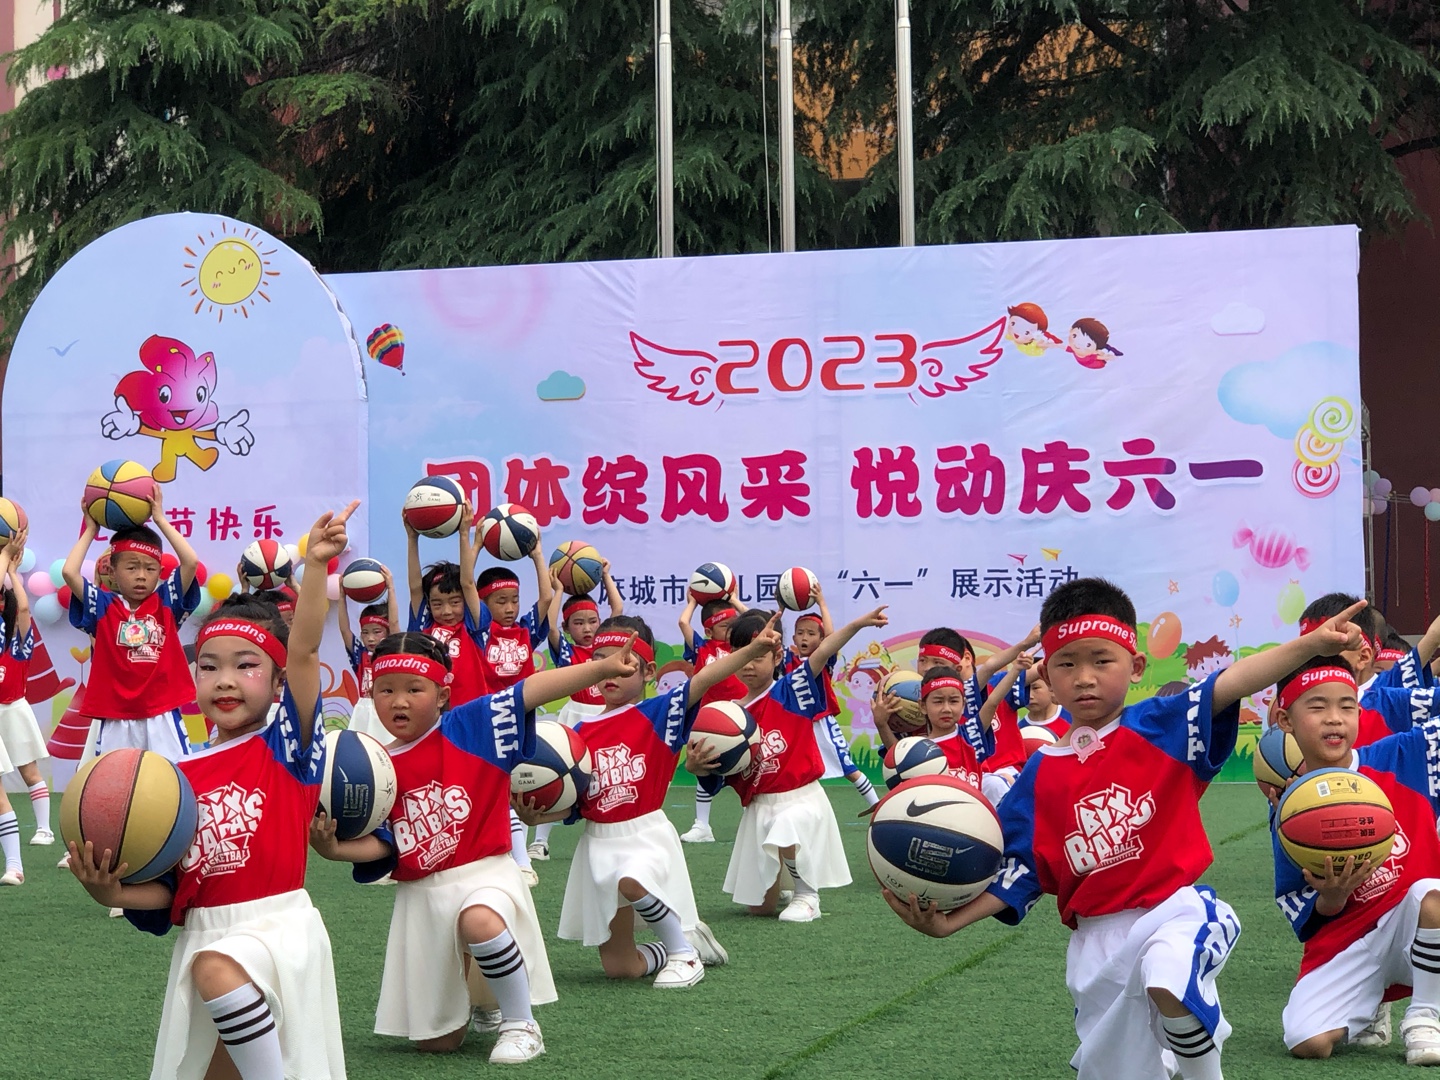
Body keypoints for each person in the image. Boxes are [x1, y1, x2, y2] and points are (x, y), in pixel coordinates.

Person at [884, 577, 1369, 1080]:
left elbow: (1235, 680)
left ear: (1135, 666)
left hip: (1173, 913)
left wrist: (1310, 645)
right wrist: (947, 923)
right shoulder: (1038, 775)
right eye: (1067, 664)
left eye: (1102, 660)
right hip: (1095, 947)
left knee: (1170, 977)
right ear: (1045, 672)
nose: (1085, 677)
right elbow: (1018, 874)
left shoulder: (1162, 725)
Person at [66, 504, 355, 1080]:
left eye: (246, 666)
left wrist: (319, 566)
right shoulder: (173, 778)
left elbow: (303, 651)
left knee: (217, 974)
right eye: (208, 666)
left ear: (278, 681)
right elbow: (173, 893)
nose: (224, 679)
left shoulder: (287, 744)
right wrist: (111, 892)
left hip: (275, 930)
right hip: (205, 936)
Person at [310, 631, 641, 1062]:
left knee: (480, 921)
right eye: (386, 690)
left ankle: (521, 1023)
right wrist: (334, 850)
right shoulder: (376, 766)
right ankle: (482, 1000)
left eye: (414, 689)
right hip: (422, 894)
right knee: (437, 1044)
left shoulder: (472, 726)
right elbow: (388, 846)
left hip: (485, 874)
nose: (399, 701)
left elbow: (531, 689)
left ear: (443, 694)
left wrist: (602, 667)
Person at [515, 614, 782, 989]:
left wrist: (753, 650)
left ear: (649, 672)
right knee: (621, 967)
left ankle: (683, 954)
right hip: (597, 845)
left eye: (625, 663)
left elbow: (706, 677)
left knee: (632, 880)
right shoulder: (574, 736)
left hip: (644, 836)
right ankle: (686, 943)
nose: (611, 670)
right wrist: (535, 817)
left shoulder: (659, 714)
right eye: (601, 660)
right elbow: (577, 805)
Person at [1267, 655, 1440, 1064]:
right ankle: (1369, 1003)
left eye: (1347, 706)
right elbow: (1299, 908)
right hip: (1348, 938)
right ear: (1285, 720)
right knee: (1307, 1042)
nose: (1334, 718)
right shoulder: (1292, 810)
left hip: (1414, 922)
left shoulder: (1405, 755)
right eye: (1317, 706)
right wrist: (1333, 897)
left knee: (1430, 894)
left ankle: (1426, 1015)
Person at [688, 606, 887, 922]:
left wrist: (858, 624)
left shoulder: (792, 689)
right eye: (742, 655)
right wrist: (697, 767)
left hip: (800, 800)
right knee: (760, 909)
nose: (749, 664)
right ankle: (783, 879)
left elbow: (823, 651)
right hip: (758, 808)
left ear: (777, 656)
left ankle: (807, 895)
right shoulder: (726, 717)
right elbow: (717, 778)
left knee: (787, 825)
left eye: (759, 656)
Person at [63, 485, 201, 760]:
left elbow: (190, 562)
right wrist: (91, 529)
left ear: (160, 572)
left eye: (150, 568)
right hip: (116, 717)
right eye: (131, 567)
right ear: (112, 571)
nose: (141, 575)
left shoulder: (166, 602)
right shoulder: (103, 606)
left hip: (162, 714)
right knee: (114, 783)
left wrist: (160, 519)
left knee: (173, 778)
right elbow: (69, 572)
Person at [530, 562, 624, 862]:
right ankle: (540, 842)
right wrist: (558, 590)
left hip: (606, 718)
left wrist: (605, 576)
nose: (587, 628)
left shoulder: (607, 649)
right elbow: (550, 625)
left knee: (607, 777)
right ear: (568, 628)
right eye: (579, 623)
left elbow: (618, 610)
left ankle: (614, 835)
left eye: (593, 621)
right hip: (576, 718)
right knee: (556, 777)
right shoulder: (568, 652)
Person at [782, 592, 879, 810]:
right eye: (800, 633)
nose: (805, 638)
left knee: (847, 766)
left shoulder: (823, 660)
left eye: (811, 633)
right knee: (789, 767)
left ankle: (877, 804)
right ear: (794, 638)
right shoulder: (786, 659)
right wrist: (782, 607)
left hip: (820, 721)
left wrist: (822, 603)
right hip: (794, 723)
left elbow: (831, 637)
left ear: (821, 639)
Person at [678, 594, 749, 842]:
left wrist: (735, 600)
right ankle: (702, 826)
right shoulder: (701, 647)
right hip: (710, 721)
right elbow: (683, 623)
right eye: (725, 626)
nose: (732, 631)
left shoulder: (741, 647)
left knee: (749, 770)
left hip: (742, 717)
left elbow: (754, 621)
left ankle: (753, 820)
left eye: (734, 625)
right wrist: (693, 601)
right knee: (704, 767)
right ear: (709, 631)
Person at [0, 530, 53, 845]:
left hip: (12, 709)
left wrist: (11, 571)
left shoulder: (18, 644)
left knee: (29, 772)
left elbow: (22, 610)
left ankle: (44, 828)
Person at [337, 563, 398, 739]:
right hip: (363, 711)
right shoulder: (360, 654)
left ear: (387, 632)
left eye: (377, 632)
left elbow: (394, 624)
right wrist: (342, 597)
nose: (370, 638)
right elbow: (345, 630)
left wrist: (391, 589)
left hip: (385, 708)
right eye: (365, 632)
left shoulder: (392, 652)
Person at [977, 652, 1034, 805]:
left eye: (937, 662)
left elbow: (992, 702)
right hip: (968, 780)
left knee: (994, 784)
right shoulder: (937, 706)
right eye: (922, 661)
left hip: (1002, 775)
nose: (927, 667)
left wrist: (1027, 644)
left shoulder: (996, 685)